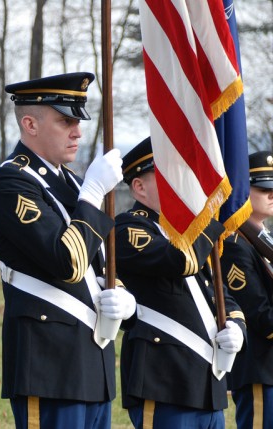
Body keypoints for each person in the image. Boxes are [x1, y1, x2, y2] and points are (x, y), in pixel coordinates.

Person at [0, 72, 136, 429]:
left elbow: (97, 265)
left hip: (91, 361)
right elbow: (67, 262)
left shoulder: (72, 183)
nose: (77, 132)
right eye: (65, 121)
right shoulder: (11, 182)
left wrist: (123, 298)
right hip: (48, 362)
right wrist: (94, 194)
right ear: (30, 124)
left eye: (78, 121)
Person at [115, 136, 247, 428]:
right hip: (164, 381)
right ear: (139, 187)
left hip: (207, 385)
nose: (183, 183)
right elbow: (179, 262)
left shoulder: (191, 235)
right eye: (169, 175)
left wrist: (237, 327)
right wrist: (213, 217)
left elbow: (221, 293)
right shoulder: (128, 228)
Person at [220, 150, 273, 429]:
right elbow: (258, 315)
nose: (272, 195)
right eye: (264, 189)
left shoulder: (265, 242)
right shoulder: (235, 247)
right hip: (260, 370)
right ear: (242, 191)